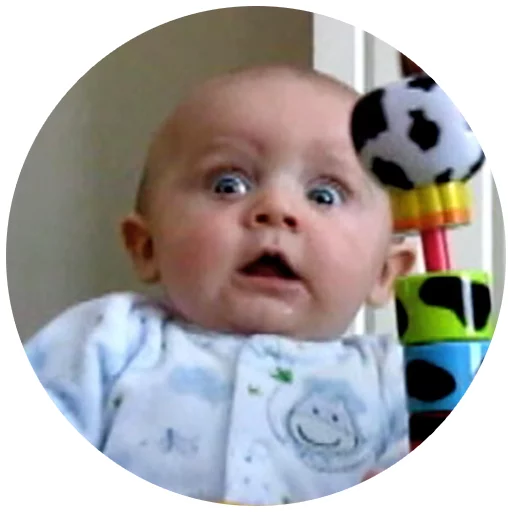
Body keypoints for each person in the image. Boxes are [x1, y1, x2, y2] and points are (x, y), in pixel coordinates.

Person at [24, 64, 416, 505]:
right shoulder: (104, 341)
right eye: (229, 185)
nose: (277, 209)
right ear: (147, 246)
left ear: (385, 272)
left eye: (325, 195)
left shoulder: (400, 382)